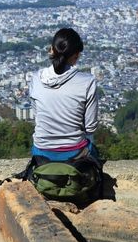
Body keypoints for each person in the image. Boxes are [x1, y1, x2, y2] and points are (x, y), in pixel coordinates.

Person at [28, 27, 99, 161]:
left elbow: (38, 116)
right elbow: (91, 127)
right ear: (76, 55)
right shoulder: (87, 82)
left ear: (51, 50)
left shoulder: (36, 79)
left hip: (41, 151)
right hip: (75, 152)